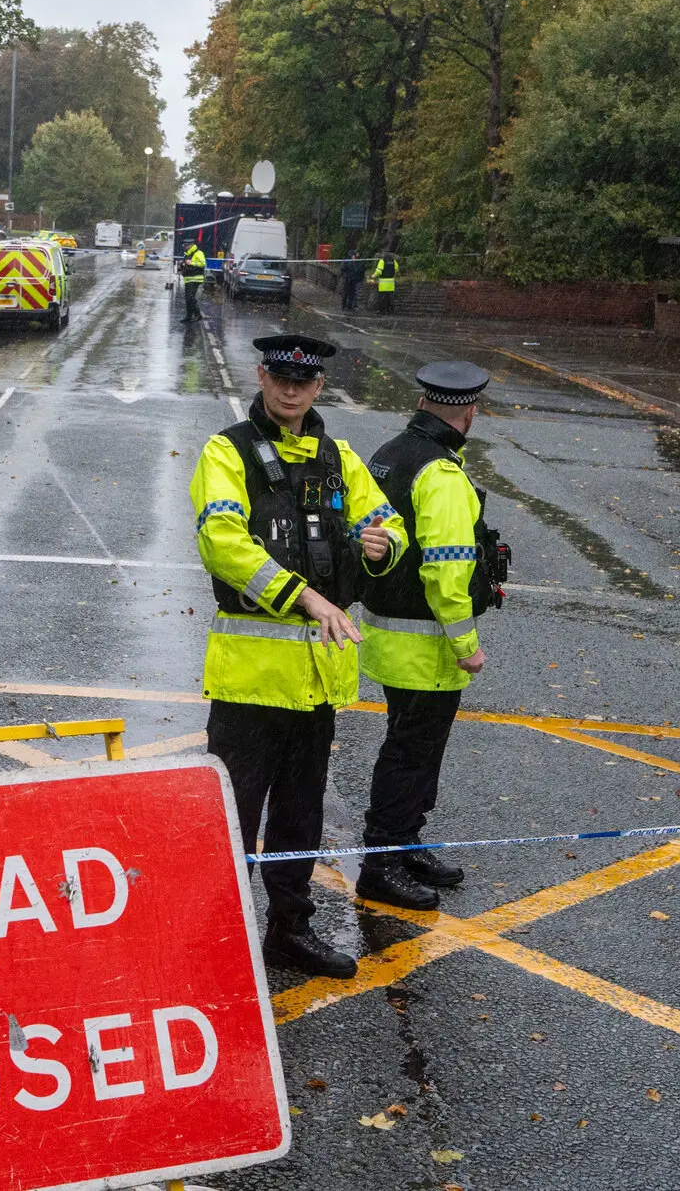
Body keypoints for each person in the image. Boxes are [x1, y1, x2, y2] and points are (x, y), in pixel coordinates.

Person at [190, 334, 407, 978]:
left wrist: (379, 546)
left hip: (317, 684)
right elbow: (223, 543)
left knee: (299, 817)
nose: (291, 390)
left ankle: (290, 929)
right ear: (261, 376)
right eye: (280, 377)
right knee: (232, 820)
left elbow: (389, 521)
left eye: (304, 381)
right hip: (252, 682)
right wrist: (307, 598)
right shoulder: (227, 451)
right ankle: (214, 940)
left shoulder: (339, 457)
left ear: (319, 388)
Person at [353, 361, 505, 910]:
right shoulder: (440, 474)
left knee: (410, 746)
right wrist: (468, 646)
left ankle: (406, 841)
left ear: (422, 405)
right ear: (469, 413)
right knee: (410, 753)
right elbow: (446, 572)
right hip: (426, 645)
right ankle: (382, 863)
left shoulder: (391, 453)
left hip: (389, 637)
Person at [180, 240, 208, 323]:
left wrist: (192, 262)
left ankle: (197, 314)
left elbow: (203, 263)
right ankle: (188, 316)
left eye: (186, 245)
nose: (185, 247)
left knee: (190, 298)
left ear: (191, 245)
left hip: (195, 278)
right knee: (188, 299)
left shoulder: (198, 252)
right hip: (188, 278)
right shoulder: (187, 253)